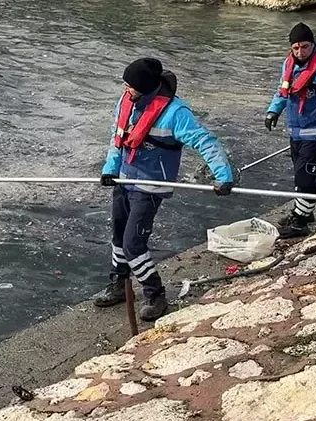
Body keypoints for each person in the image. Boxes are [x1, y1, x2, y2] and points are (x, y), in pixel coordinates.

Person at [95, 57, 235, 322]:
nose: (125, 90)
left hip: (150, 187)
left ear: (145, 87)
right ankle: (118, 284)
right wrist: (109, 169)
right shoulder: (126, 102)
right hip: (124, 179)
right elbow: (118, 139)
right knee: (118, 236)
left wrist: (223, 176)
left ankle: (155, 293)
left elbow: (206, 142)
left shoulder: (176, 114)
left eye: (130, 86)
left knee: (133, 244)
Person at [264, 23, 316, 239]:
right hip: (296, 130)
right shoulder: (289, 64)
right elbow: (282, 91)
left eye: (305, 47)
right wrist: (273, 111)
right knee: (300, 173)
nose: (300, 52)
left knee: (309, 176)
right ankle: (303, 211)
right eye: (296, 48)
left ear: (313, 45)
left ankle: (300, 221)